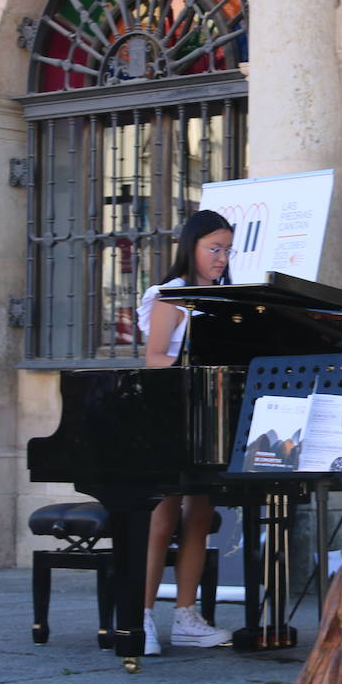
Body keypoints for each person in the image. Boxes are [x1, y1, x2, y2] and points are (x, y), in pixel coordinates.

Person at [135, 209, 236, 654]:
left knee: (200, 516)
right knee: (162, 517)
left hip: (210, 417)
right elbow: (154, 357)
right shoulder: (172, 296)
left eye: (227, 250)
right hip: (172, 413)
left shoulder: (229, 298)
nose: (221, 258)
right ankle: (139, 617)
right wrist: (192, 371)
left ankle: (185, 617)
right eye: (214, 248)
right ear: (190, 247)